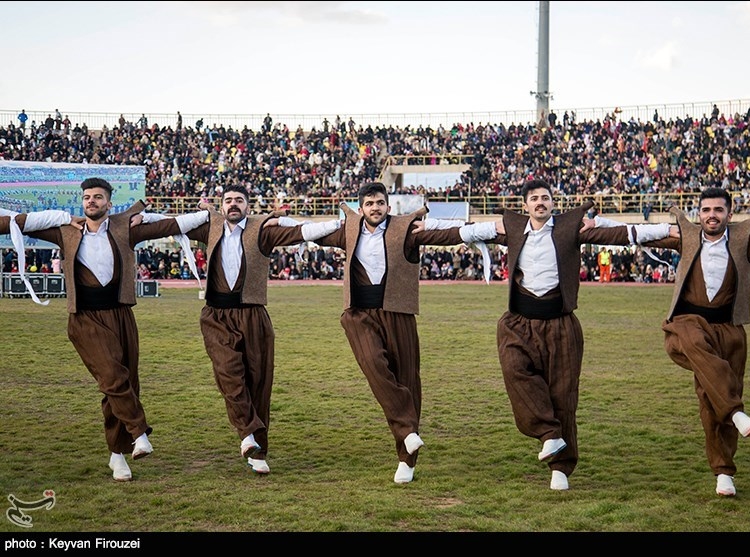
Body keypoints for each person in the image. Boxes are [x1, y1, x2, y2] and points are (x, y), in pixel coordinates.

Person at [486, 179, 675, 491]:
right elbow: (465, 232)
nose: (540, 203)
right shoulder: (512, 227)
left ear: (552, 202)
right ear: (525, 205)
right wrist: (420, 230)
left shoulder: (568, 227)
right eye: (534, 198)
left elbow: (620, 235)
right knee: (515, 370)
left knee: (563, 397)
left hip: (561, 325)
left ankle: (560, 468)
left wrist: (668, 230)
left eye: (545, 197)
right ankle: (549, 433)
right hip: (518, 322)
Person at [21, 177, 209, 482]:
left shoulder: (125, 229)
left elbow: (172, 225)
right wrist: (58, 217)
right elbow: (16, 224)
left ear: (109, 202)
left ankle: (117, 455)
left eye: (97, 197)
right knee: (112, 376)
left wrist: (205, 213)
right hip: (85, 319)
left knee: (123, 383)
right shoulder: (65, 231)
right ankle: (139, 432)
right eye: (86, 197)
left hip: (121, 316)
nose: (91, 201)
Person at [312, 181, 499, 484]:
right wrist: (267, 223)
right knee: (373, 364)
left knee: (408, 381)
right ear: (361, 208)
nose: (375, 208)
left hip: (399, 314)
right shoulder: (347, 232)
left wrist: (486, 231)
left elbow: (445, 235)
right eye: (369, 203)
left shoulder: (405, 230)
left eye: (380, 203)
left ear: (388, 206)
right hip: (360, 314)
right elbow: (308, 233)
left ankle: (407, 455)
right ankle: (408, 430)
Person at [642, 187, 750, 497]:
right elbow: (636, 234)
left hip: (728, 329)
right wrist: (594, 224)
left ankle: (724, 472)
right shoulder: (686, 239)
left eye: (718, 210)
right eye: (706, 210)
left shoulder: (744, 243)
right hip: (688, 324)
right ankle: (737, 412)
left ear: (729, 213)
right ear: (698, 214)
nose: (712, 215)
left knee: (714, 400)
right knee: (689, 339)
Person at [185, 184, 340, 475]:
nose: (233, 205)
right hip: (216, 315)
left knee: (259, 384)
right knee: (228, 373)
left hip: (254, 316)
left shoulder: (262, 230)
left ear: (248, 206)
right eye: (228, 200)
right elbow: (173, 225)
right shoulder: (210, 229)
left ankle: (258, 452)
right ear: (221, 205)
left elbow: (300, 233)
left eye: (239, 201)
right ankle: (248, 431)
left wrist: (338, 225)